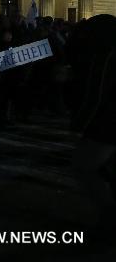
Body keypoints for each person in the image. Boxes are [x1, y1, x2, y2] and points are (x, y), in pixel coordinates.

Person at [68, 15, 116, 240]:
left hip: (106, 126)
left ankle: (109, 218)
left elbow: (95, 95)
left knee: (82, 166)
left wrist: (80, 123)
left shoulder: (106, 57)